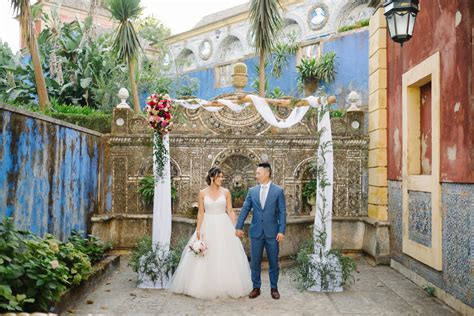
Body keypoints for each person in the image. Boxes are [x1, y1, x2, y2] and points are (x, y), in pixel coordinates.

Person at [169, 167, 252, 299]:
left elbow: (230, 210)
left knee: (224, 254)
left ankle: (225, 284)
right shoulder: (202, 193)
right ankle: (199, 285)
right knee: (205, 254)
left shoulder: (226, 192)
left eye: (222, 176)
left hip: (223, 224)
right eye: (219, 176)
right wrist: (198, 229)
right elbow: (201, 212)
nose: (221, 179)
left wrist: (235, 227)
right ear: (212, 177)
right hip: (208, 223)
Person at [235, 162, 287, 300]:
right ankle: (256, 287)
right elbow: (245, 209)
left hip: (272, 233)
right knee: (255, 261)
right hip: (256, 232)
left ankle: (274, 288)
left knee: (273, 262)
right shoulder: (252, 191)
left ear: (267, 173)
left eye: (258, 173)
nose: (256, 175)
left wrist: (281, 230)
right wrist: (238, 227)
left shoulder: (278, 191)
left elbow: (282, 212)